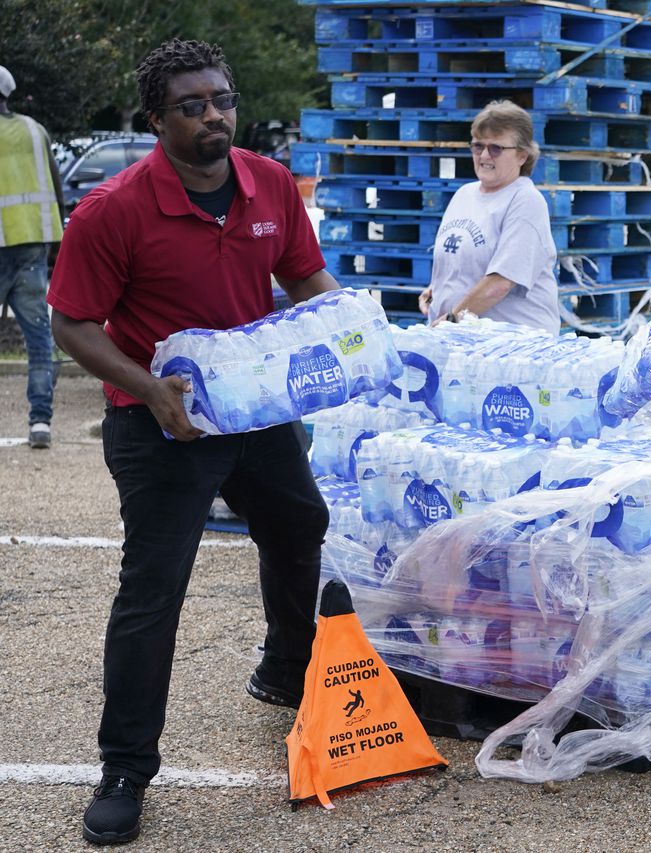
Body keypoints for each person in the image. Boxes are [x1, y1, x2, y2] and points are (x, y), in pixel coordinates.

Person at [46, 39, 338, 846]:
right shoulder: (115, 209)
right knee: (154, 589)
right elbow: (71, 319)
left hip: (255, 410)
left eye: (222, 99)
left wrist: (349, 332)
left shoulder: (270, 182)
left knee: (298, 523)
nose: (214, 115)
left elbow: (306, 275)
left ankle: (284, 670)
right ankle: (124, 767)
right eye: (192, 105)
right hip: (159, 422)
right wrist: (146, 388)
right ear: (156, 120)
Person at [417, 100, 560, 333]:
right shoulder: (464, 194)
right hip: (463, 341)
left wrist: (451, 320)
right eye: (477, 146)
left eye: (496, 148)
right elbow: (463, 258)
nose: (484, 155)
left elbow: (501, 282)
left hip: (511, 349)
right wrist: (438, 290)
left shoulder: (525, 200)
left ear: (522, 156)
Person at [0, 64, 65, 449]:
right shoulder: (33, 129)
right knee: (39, 339)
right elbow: (55, 186)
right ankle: (40, 423)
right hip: (31, 245)